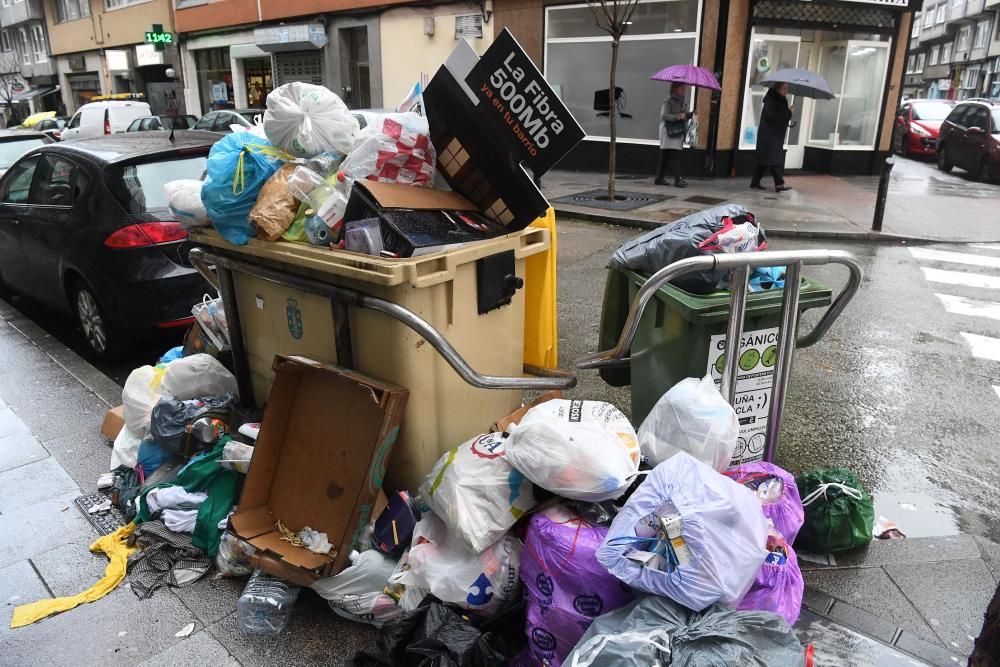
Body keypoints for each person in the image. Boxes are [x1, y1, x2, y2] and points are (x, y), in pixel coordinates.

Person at [751, 83, 793, 193]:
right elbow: (772, 117)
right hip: (770, 136)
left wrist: (787, 112)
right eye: (784, 88)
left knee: (764, 161)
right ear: (778, 88)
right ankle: (779, 185)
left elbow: (778, 117)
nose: (786, 91)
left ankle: (755, 182)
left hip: (772, 135)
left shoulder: (778, 100)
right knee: (775, 160)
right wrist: (789, 112)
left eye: (787, 89)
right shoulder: (772, 101)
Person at [655, 83, 688, 188]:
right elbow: (664, 115)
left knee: (666, 155)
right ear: (675, 89)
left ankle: (659, 178)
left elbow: (683, 117)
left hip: (676, 131)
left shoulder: (682, 102)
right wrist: (678, 116)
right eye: (681, 88)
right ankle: (678, 179)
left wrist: (691, 114)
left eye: (684, 88)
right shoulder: (669, 102)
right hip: (669, 131)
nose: (684, 90)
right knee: (675, 155)